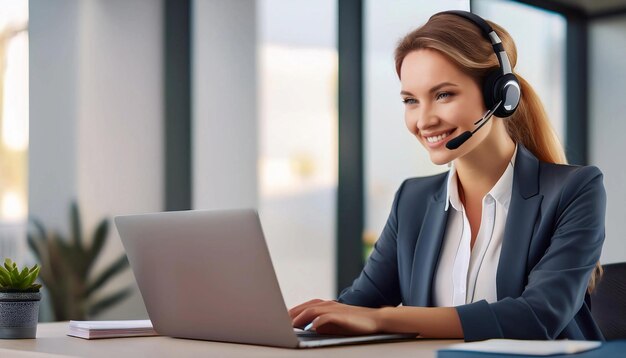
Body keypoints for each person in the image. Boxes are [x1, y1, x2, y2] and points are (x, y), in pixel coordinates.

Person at [288, 10, 606, 341]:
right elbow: (357, 307)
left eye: (443, 95)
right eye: (411, 100)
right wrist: (302, 324)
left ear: (500, 95)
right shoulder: (412, 200)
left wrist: (385, 320)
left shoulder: (575, 190)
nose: (423, 120)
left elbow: (538, 317)